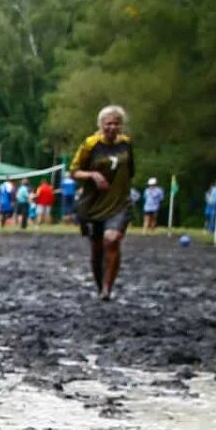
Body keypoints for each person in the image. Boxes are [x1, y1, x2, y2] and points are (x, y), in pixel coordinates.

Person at [69, 104, 136, 300]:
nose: (112, 127)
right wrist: (92, 175)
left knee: (112, 240)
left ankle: (108, 288)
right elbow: (74, 172)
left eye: (116, 124)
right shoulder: (90, 145)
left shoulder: (126, 144)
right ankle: (100, 286)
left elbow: (130, 171)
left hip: (118, 203)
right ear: (100, 125)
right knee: (97, 249)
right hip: (93, 205)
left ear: (121, 126)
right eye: (108, 124)